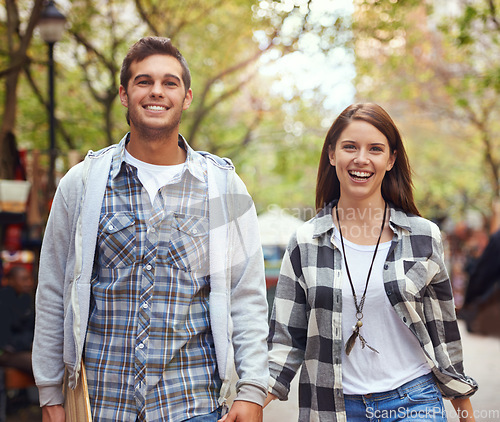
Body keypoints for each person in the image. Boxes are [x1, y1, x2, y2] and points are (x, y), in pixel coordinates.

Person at [32, 37, 269, 422]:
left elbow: (247, 294)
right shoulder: (82, 184)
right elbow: (54, 290)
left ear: (186, 97)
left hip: (193, 404)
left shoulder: (224, 187)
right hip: (101, 407)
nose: (156, 91)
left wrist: (253, 389)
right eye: (143, 81)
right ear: (124, 95)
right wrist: (49, 393)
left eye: (169, 82)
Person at [265, 103, 477, 421]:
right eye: (350, 146)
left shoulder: (423, 236)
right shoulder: (305, 241)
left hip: (415, 400)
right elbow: (285, 339)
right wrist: (252, 399)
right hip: (332, 408)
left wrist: (464, 411)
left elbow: (443, 333)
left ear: (390, 159)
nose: (361, 158)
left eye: (375, 149)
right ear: (332, 154)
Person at [0, 265, 35, 375]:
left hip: (21, 348)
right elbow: (6, 339)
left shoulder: (25, 299)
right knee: (38, 363)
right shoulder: (3, 300)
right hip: (5, 352)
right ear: (10, 281)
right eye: (24, 280)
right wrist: (29, 344)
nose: (29, 283)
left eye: (30, 279)